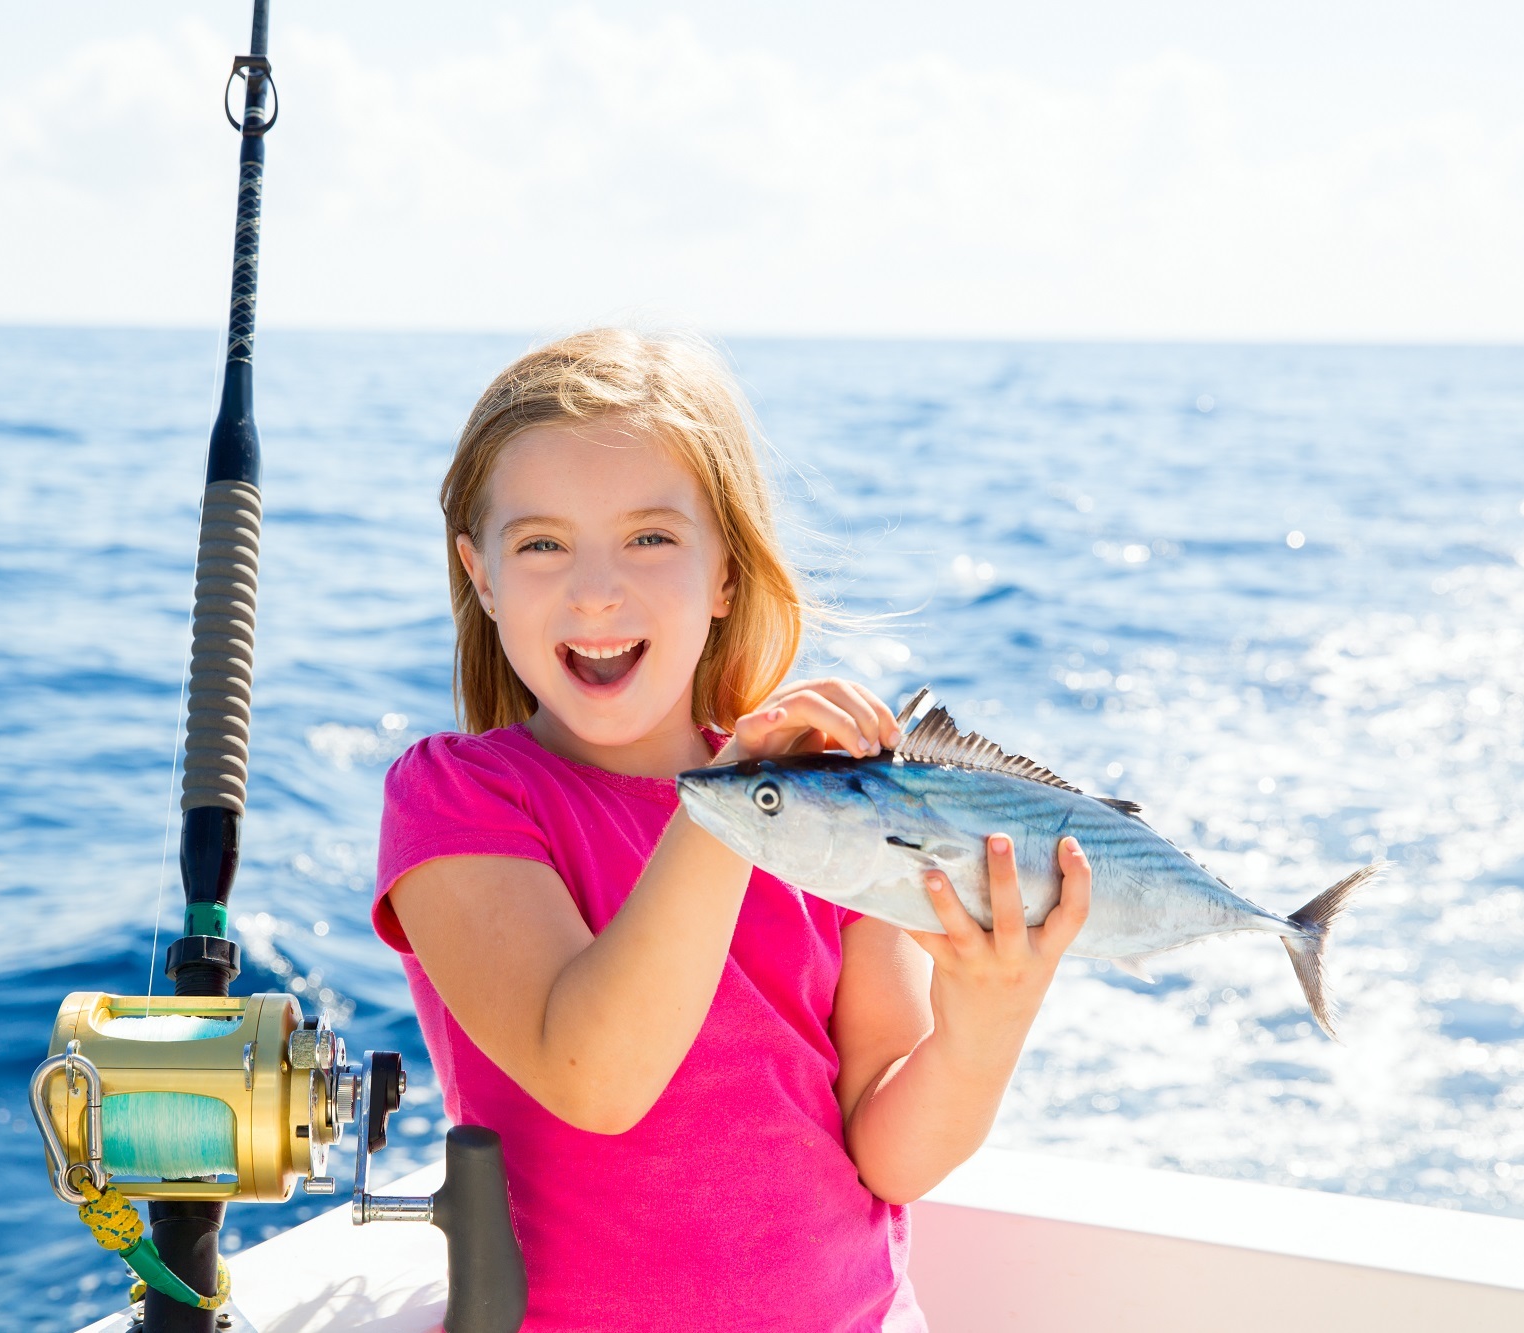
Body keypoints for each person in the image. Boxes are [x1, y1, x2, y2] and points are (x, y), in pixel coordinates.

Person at [374, 328, 1090, 1331]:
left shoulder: (834, 805)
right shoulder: (458, 797)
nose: (595, 588)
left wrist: (988, 1020)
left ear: (725, 573)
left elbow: (888, 1153)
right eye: (540, 544)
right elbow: (597, 1076)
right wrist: (731, 806)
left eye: (650, 538)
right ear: (482, 575)